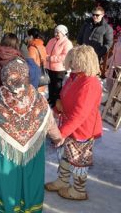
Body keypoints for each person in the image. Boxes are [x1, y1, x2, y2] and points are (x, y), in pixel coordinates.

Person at [0, 58, 62, 213]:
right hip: (31, 154)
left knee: (2, 182)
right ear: (25, 76)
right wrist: (57, 138)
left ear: (5, 76)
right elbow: (50, 122)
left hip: (2, 154)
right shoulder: (38, 98)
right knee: (29, 182)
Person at [45, 45, 103, 201]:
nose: (71, 65)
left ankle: (79, 190)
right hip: (70, 126)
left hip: (82, 130)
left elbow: (80, 114)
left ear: (83, 62)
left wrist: (61, 133)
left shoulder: (90, 83)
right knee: (66, 155)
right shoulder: (75, 78)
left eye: (74, 61)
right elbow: (67, 100)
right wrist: (59, 106)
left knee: (79, 161)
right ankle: (62, 181)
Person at [46, 25, 73, 107]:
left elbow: (65, 56)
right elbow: (46, 50)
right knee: (50, 84)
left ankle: (56, 102)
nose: (56, 33)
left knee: (57, 86)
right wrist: (45, 56)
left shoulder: (67, 43)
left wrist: (51, 58)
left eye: (59, 32)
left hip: (59, 68)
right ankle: (51, 99)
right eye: (55, 32)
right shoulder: (51, 41)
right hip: (49, 67)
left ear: (64, 33)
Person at [27, 28, 47, 92]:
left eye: (27, 36)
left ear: (31, 36)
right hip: (41, 76)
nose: (26, 38)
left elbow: (30, 65)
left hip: (34, 79)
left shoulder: (32, 48)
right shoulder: (42, 46)